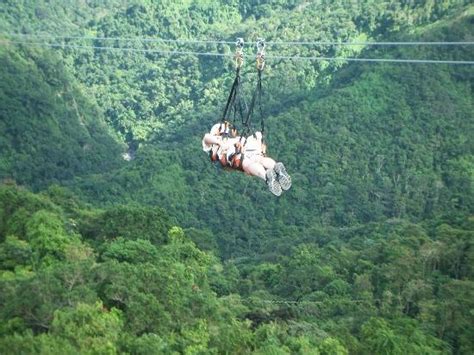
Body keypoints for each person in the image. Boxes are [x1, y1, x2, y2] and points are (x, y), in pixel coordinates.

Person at [202, 123, 291, 196]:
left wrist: (221, 143)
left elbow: (206, 138)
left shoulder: (217, 145)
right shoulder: (223, 141)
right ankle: (274, 166)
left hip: (235, 153)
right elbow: (207, 138)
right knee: (259, 159)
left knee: (248, 165)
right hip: (244, 148)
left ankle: (266, 176)